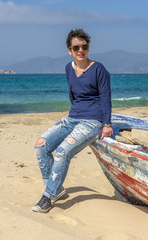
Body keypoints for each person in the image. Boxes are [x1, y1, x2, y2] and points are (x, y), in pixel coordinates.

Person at [32, 29, 113, 213]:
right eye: (76, 47)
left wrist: (106, 124)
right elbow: (73, 95)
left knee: (62, 152)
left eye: (84, 46)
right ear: (69, 50)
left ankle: (48, 197)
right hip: (72, 118)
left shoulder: (99, 69)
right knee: (41, 145)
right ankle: (55, 188)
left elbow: (105, 97)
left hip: (92, 121)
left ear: (88, 48)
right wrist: (72, 117)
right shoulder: (68, 68)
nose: (81, 50)